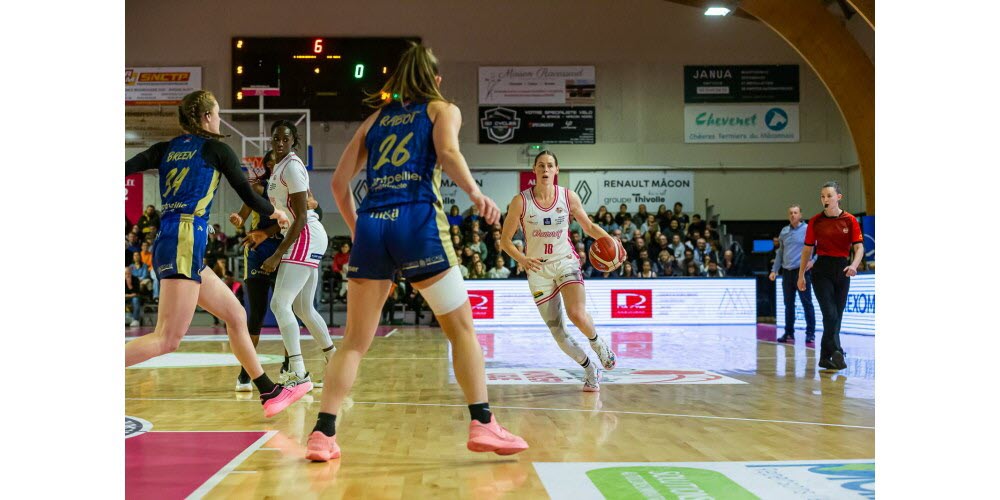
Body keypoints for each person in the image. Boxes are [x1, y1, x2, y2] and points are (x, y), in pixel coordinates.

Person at [307, 43, 528, 461]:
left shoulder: (374, 120)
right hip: (417, 221)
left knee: (353, 342)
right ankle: (482, 423)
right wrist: (477, 193)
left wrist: (361, 231)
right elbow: (447, 152)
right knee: (461, 329)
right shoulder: (442, 109)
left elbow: (338, 184)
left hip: (374, 224)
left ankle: (322, 433)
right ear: (435, 80)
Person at [124, 89, 304, 418]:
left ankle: (268, 392)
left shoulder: (164, 149)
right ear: (207, 116)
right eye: (217, 113)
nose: (220, 119)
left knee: (235, 316)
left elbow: (125, 167)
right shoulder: (217, 149)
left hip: (175, 238)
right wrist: (275, 213)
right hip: (185, 238)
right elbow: (247, 193)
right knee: (166, 339)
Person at [501, 149, 620, 393]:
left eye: (550, 165)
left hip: (566, 261)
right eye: (541, 165)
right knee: (558, 332)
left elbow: (588, 227)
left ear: (556, 170)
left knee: (576, 313)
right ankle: (589, 369)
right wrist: (522, 259)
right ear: (534, 171)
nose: (545, 169)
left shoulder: (568, 197)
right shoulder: (520, 201)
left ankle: (598, 344)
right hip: (538, 270)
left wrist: (613, 243)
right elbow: (505, 241)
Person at [259, 120, 337, 390]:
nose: (280, 142)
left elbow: (302, 215)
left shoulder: (291, 166)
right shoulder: (280, 166)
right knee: (303, 308)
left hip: (304, 235)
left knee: (280, 304)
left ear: (293, 141)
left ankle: (298, 372)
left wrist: (277, 255)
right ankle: (335, 364)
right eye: (276, 138)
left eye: (285, 138)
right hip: (305, 235)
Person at [798, 182, 863, 371]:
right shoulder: (815, 221)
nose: (825, 199)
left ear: (838, 198)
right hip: (822, 270)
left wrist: (853, 265)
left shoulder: (850, 220)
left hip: (843, 269)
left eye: (829, 196)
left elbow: (859, 247)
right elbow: (807, 250)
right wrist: (801, 275)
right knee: (830, 313)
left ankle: (825, 358)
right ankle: (837, 351)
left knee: (837, 316)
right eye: (822, 196)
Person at [770, 204, 817, 346]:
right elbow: (780, 253)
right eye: (790, 212)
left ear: (800, 215)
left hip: (801, 272)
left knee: (806, 303)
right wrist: (774, 270)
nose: (793, 215)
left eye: (795, 212)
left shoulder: (808, 229)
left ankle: (810, 333)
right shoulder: (784, 231)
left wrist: (813, 261)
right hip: (787, 273)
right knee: (788, 304)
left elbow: (820, 247)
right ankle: (789, 332)